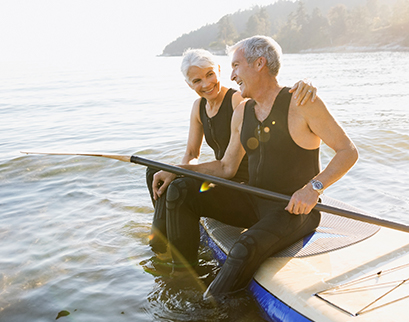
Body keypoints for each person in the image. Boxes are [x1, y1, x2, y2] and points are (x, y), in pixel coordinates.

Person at [152, 36, 359, 298]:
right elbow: (226, 167)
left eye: (236, 65)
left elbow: (348, 151)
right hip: (253, 201)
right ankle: (182, 281)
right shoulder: (244, 110)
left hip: (293, 209)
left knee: (244, 247)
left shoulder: (302, 102)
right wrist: (178, 170)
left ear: (259, 63)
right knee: (181, 191)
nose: (232, 74)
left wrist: (313, 189)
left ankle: (211, 311)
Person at [146, 48, 317, 254]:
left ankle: (173, 245)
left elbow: (270, 96)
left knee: (177, 184)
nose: (206, 84)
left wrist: (305, 82)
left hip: (239, 180)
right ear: (189, 84)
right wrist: (178, 170)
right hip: (220, 175)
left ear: (219, 70)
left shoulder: (238, 100)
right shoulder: (198, 107)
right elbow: (191, 154)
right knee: (154, 172)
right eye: (197, 80)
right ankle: (163, 236)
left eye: (210, 74)